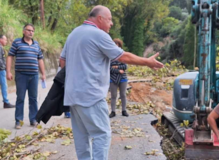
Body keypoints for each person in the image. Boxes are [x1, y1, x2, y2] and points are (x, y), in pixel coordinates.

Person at [60, 5, 163, 160]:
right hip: (91, 96)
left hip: (73, 97)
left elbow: (62, 62)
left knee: (82, 140)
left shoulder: (74, 33)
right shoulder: (98, 35)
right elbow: (122, 57)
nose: (112, 23)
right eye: (110, 19)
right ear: (100, 18)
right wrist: (147, 62)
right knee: (102, 135)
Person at [6, 24, 46, 129]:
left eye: (32, 31)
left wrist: (43, 74)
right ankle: (18, 121)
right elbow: (10, 56)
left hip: (34, 75)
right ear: (24, 31)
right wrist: (8, 71)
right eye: (28, 30)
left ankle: (33, 119)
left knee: (33, 98)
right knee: (20, 98)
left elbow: (40, 59)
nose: (31, 32)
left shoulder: (36, 44)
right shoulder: (17, 42)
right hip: (21, 75)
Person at [109, 38, 128, 118]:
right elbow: (108, 68)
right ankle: (113, 111)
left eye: (118, 46)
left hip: (123, 78)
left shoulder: (123, 55)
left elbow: (125, 66)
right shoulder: (109, 56)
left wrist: (116, 66)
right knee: (113, 95)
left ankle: (124, 110)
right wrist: (118, 70)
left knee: (123, 94)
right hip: (112, 78)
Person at [0, 35, 15, 109]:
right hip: (1, 70)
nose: (6, 41)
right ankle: (6, 102)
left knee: (4, 86)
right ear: (0, 39)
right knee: (4, 86)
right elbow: (0, 60)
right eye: (5, 40)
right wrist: (4, 68)